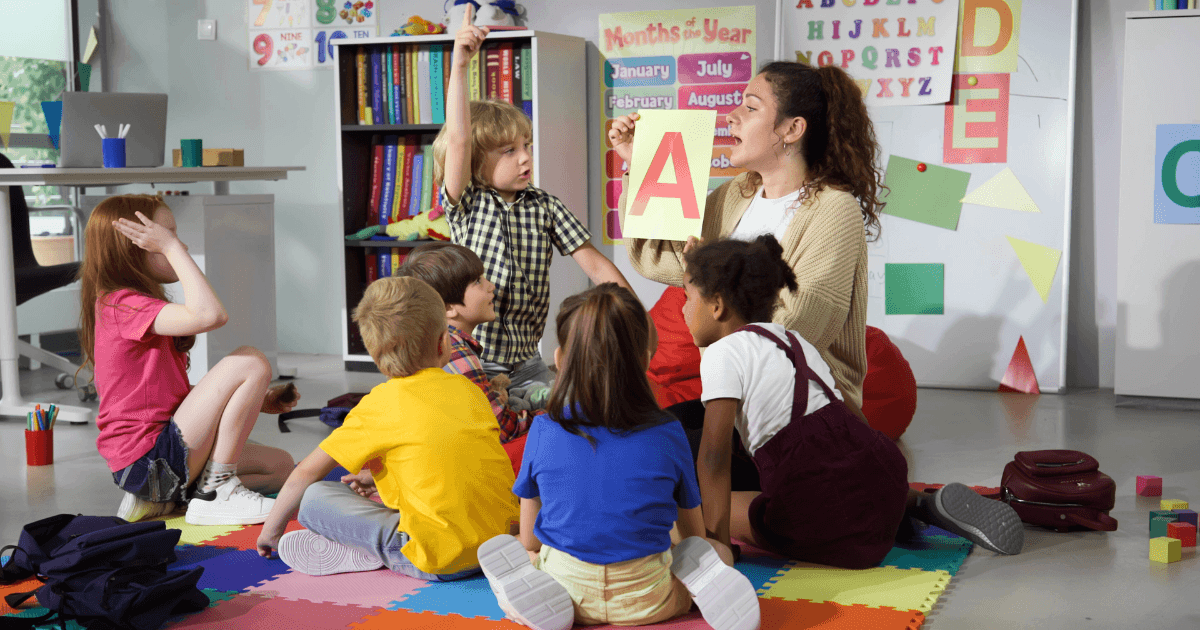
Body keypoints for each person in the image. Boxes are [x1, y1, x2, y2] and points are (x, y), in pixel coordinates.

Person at [610, 62, 1023, 555]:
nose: (732, 116)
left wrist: (712, 278)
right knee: (643, 445)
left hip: (801, 412)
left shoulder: (833, 209)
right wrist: (640, 163)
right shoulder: (735, 196)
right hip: (742, 404)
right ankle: (903, 508)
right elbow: (658, 259)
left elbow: (801, 325)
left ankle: (892, 508)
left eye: (750, 106)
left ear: (791, 129)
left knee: (675, 477)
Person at [683, 237, 1024, 562]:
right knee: (844, 482)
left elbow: (713, 460)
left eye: (687, 297)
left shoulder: (721, 354)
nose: (684, 310)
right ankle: (910, 504)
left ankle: (878, 519)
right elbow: (854, 418)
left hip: (822, 516)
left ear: (716, 305)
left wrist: (719, 543)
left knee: (702, 507)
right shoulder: (793, 341)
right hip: (882, 476)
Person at [477, 284, 759, 630]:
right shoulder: (669, 432)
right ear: (645, 360)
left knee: (526, 553)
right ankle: (698, 596)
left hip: (566, 595)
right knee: (716, 553)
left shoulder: (544, 429)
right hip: (649, 599)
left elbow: (532, 537)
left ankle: (530, 602)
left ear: (560, 359)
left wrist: (534, 551)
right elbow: (693, 540)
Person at [256, 276, 519, 580]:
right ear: (443, 342)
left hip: (440, 560)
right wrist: (377, 477)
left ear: (374, 354)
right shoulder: (468, 388)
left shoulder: (379, 403)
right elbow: (455, 456)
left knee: (315, 497)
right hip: (501, 542)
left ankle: (368, 550)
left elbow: (304, 473)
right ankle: (364, 547)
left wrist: (270, 533)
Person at [435, 5, 636, 388]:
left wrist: (635, 317)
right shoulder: (467, 203)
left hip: (528, 361)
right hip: (474, 357)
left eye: (526, 145)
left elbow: (596, 267)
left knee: (538, 427)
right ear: (477, 163)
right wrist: (459, 65)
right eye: (509, 151)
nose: (526, 156)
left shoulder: (545, 205)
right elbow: (459, 139)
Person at [79, 194, 297, 526]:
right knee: (251, 361)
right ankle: (215, 493)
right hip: (149, 461)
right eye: (166, 236)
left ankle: (179, 499)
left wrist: (254, 400)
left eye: (174, 236)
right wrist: (174, 250)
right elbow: (211, 314)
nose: (178, 243)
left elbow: (162, 394)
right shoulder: (121, 305)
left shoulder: (131, 304)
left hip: (161, 460)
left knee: (281, 466)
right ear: (133, 248)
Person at [397, 241, 531, 443]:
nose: (491, 286)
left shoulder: (429, 342)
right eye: (478, 281)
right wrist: (542, 417)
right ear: (449, 308)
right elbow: (502, 430)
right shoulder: (455, 351)